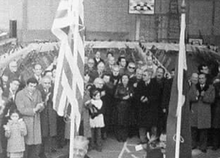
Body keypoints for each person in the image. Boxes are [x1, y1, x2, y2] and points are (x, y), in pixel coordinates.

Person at [15, 77, 44, 158]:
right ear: (27, 85)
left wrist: (40, 107)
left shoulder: (38, 93)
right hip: (25, 122)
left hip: (36, 121)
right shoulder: (20, 94)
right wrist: (34, 110)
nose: (33, 88)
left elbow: (41, 105)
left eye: (34, 86)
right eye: (31, 86)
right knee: (25, 144)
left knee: (35, 144)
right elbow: (21, 109)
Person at [188, 73, 215, 153]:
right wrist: (196, 96)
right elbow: (189, 97)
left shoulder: (211, 87)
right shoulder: (194, 86)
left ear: (205, 79)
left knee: (204, 131)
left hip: (204, 112)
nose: (201, 80)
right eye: (199, 78)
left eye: (202, 78)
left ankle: (203, 146)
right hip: (195, 111)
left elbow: (212, 99)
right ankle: (193, 144)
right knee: (194, 130)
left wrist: (203, 96)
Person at [135, 70, 161, 144]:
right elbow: (136, 94)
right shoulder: (140, 84)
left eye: (145, 75)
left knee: (153, 124)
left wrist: (148, 98)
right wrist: (140, 97)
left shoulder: (155, 84)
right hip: (142, 108)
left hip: (151, 108)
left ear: (150, 76)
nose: (143, 77)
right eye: (143, 75)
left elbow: (157, 95)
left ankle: (153, 139)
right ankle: (143, 139)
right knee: (142, 124)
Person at [37, 76, 57, 158]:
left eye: (49, 83)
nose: (47, 85)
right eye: (45, 83)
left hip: (51, 115)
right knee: (42, 133)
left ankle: (48, 151)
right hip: (42, 115)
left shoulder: (53, 90)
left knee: (50, 134)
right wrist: (46, 99)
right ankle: (40, 153)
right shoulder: (38, 91)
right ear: (41, 83)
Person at [114, 74, 133, 142]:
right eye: (123, 78)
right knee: (119, 122)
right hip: (120, 106)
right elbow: (115, 96)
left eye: (126, 78)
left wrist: (130, 96)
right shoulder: (119, 86)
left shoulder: (130, 86)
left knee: (126, 122)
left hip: (128, 106)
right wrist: (122, 98)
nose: (124, 80)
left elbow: (133, 94)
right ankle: (119, 136)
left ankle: (124, 136)